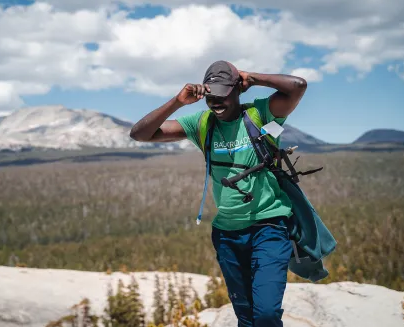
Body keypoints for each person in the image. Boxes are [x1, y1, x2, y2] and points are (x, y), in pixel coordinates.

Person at [129, 60, 307, 327]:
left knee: (267, 314)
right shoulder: (201, 123)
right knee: (245, 317)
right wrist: (178, 101)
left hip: (269, 227)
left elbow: (297, 87)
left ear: (237, 90)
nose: (216, 102)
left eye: (223, 94)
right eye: (211, 96)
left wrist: (252, 77)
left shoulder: (261, 114)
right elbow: (140, 134)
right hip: (227, 234)